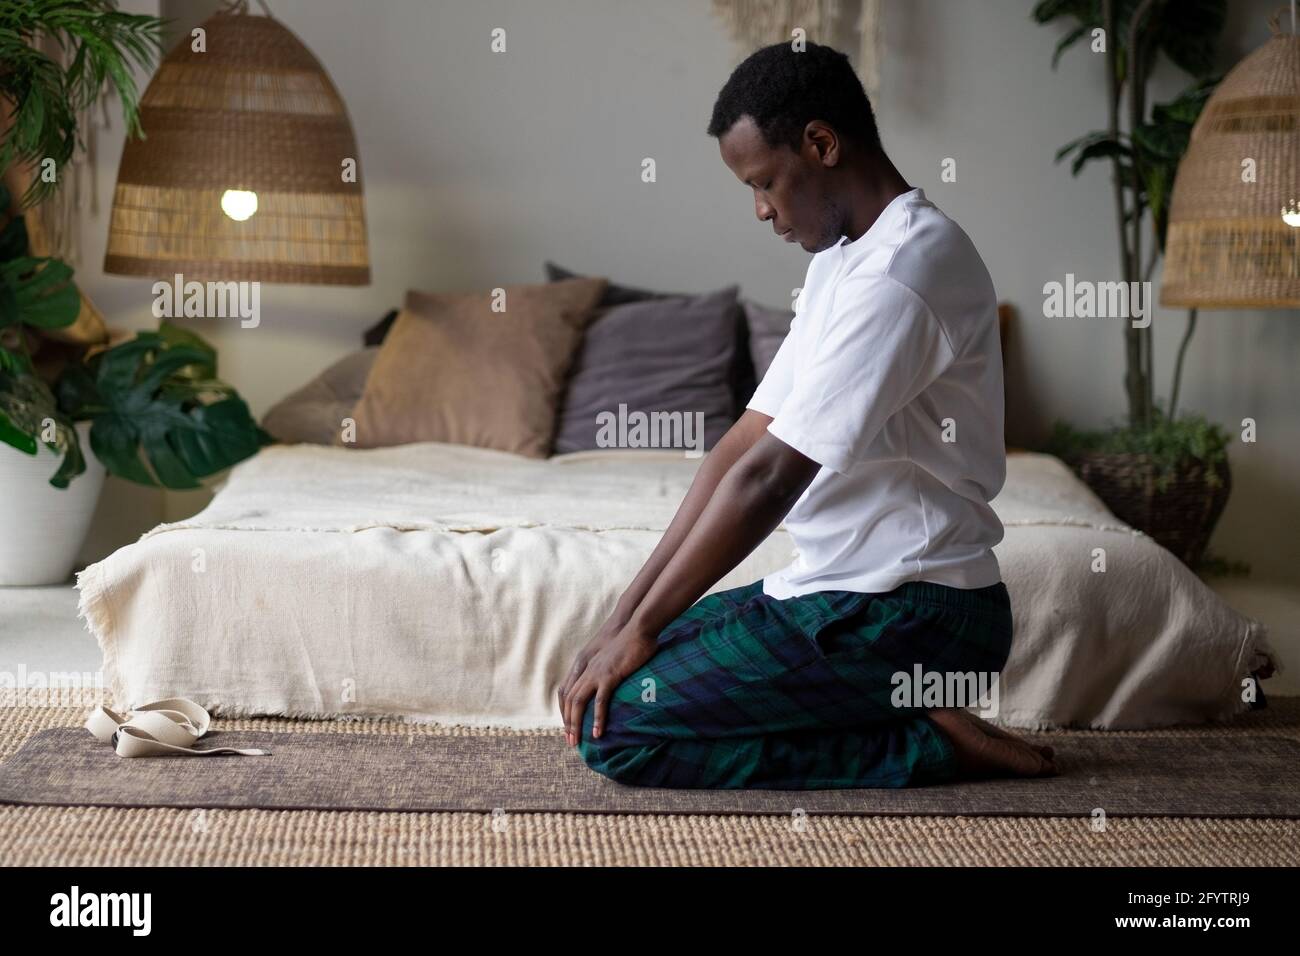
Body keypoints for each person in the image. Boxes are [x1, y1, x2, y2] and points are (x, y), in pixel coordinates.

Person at [557, 41, 1056, 789]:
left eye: (764, 182)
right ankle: (896, 713)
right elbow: (743, 443)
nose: (760, 209)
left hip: (917, 613)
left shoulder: (905, 269)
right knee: (619, 672)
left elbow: (768, 478)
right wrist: (625, 619)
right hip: (835, 592)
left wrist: (643, 624)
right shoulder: (842, 260)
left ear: (821, 144)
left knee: (620, 728)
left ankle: (926, 744)